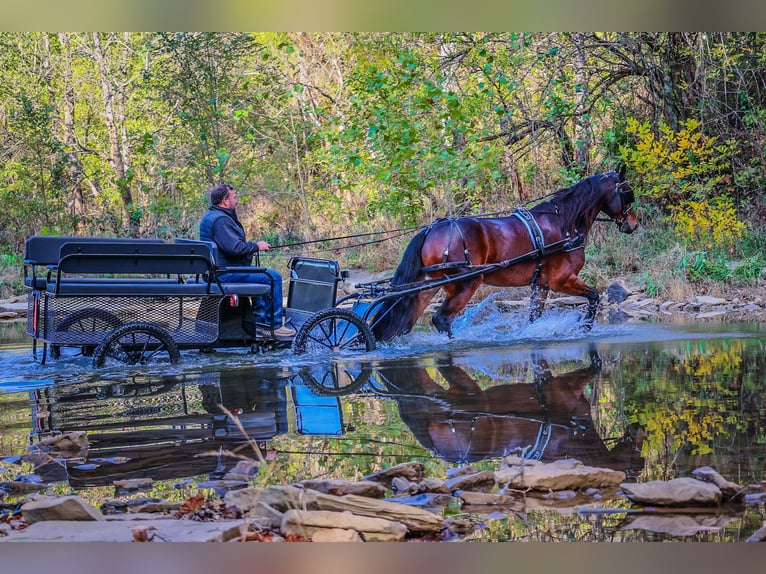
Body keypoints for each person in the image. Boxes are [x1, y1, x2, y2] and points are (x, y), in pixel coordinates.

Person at [199, 183, 296, 338]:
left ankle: (260, 324)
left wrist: (253, 247)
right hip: (223, 273)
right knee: (274, 277)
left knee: (260, 276)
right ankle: (274, 326)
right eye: (234, 197)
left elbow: (231, 246)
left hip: (219, 270)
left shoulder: (212, 216)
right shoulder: (220, 220)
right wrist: (257, 246)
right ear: (225, 201)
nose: (237, 201)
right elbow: (235, 248)